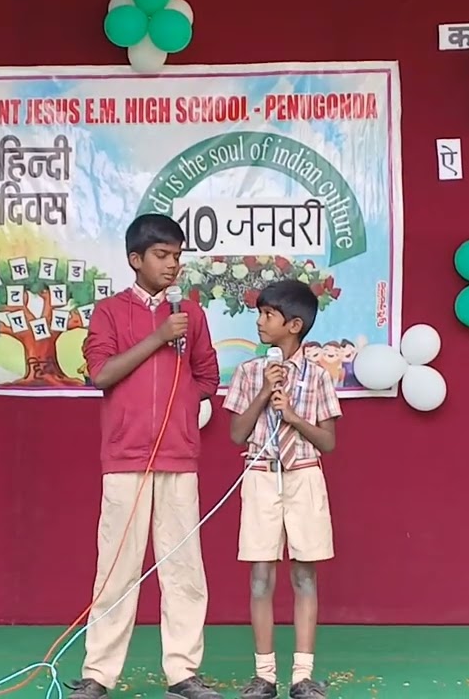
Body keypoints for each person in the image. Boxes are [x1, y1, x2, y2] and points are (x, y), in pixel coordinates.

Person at [66, 214, 223, 699]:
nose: (172, 265)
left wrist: (178, 414)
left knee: (183, 568)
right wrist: (157, 338)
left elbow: (207, 377)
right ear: (136, 260)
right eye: (162, 255)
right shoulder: (110, 313)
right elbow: (101, 374)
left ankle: (183, 671)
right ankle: (99, 673)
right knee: (116, 567)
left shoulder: (191, 315)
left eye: (177, 256)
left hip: (178, 456)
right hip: (125, 456)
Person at [222, 279, 342, 699]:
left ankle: (302, 675)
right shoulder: (250, 372)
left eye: (267, 315)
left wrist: (292, 416)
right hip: (259, 474)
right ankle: (264, 674)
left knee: (305, 573)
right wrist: (262, 393)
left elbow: (328, 441)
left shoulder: (318, 378)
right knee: (260, 575)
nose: (259, 322)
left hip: (305, 473)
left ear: (293, 325)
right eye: (258, 314)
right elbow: (237, 432)